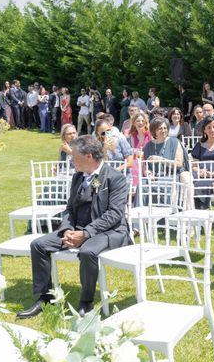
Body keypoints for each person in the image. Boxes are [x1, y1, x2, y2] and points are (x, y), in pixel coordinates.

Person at [17, 135, 131, 319]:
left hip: (108, 231)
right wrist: (67, 230)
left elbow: (114, 214)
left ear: (89, 157)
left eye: (74, 156)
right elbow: (70, 208)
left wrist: (85, 234)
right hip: (78, 228)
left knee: (87, 252)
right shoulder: (78, 177)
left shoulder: (115, 178)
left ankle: (86, 302)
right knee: (38, 245)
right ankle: (45, 297)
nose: (71, 160)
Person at [143, 117, 194, 210]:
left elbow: (179, 164)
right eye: (160, 128)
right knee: (141, 186)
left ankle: (166, 217)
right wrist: (149, 174)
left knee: (163, 186)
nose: (163, 131)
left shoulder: (175, 142)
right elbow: (146, 167)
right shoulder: (148, 146)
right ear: (154, 131)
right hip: (156, 177)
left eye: (165, 128)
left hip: (173, 175)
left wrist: (161, 159)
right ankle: (143, 218)